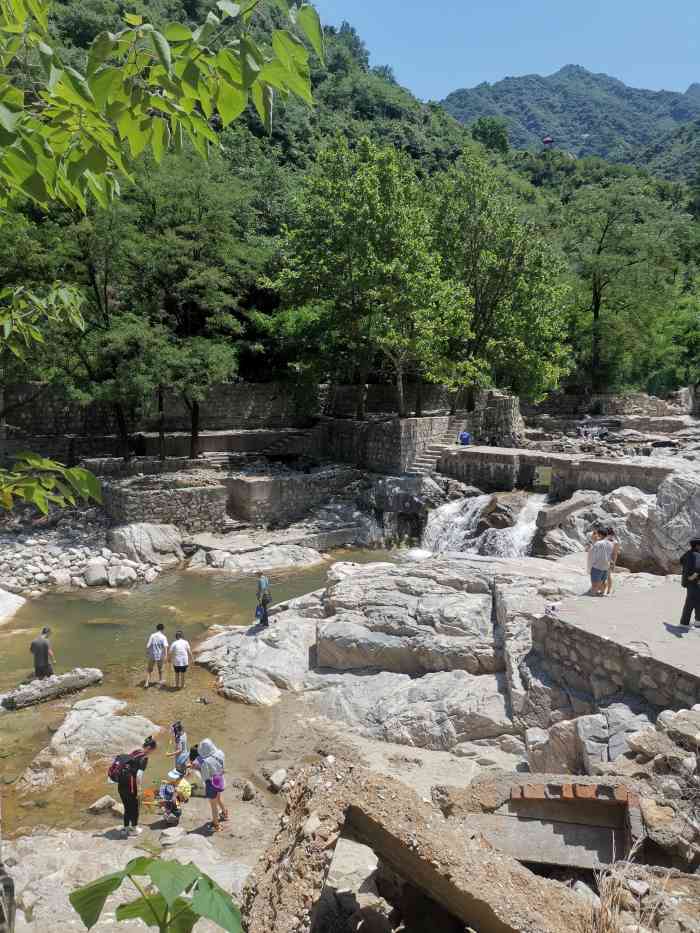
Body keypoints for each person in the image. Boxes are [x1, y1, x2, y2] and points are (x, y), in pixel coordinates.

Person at [114, 736, 157, 837]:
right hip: (131, 785)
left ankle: (125, 828)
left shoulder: (136, 751)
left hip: (121, 783)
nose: (152, 753)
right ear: (150, 748)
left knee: (126, 806)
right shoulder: (144, 758)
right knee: (134, 807)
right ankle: (134, 829)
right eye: (153, 750)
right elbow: (139, 775)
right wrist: (139, 789)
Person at [189, 738, 228, 832]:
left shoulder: (206, 762)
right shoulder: (220, 753)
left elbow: (205, 776)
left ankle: (216, 825)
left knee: (213, 806)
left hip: (212, 784)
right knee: (218, 798)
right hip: (220, 779)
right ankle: (225, 813)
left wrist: (198, 768)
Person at [587, 526, 615, 596]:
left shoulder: (598, 543)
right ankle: (602, 593)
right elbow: (610, 554)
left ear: (600, 534)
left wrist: (590, 566)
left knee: (595, 582)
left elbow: (592, 555)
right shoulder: (611, 543)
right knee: (603, 581)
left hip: (597, 565)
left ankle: (593, 594)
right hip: (606, 565)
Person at [680, 538, 700, 628]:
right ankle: (684, 623)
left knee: (696, 601)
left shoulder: (688, 553)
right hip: (694, 581)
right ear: (697, 546)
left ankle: (698, 621)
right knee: (690, 602)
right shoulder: (695, 555)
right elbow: (697, 568)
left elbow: (681, 561)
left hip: (691, 581)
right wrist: (694, 575)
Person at [145, 623, 168, 688]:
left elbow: (148, 646)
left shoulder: (152, 635)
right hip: (160, 656)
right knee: (160, 669)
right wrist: (166, 656)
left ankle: (146, 683)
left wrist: (147, 652)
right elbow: (165, 647)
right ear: (163, 629)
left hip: (152, 655)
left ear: (156, 628)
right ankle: (160, 681)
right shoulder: (163, 637)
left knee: (149, 670)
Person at [604, 527, 620, 596]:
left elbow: (615, 554)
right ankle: (604, 589)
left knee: (608, 576)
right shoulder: (604, 540)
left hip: (609, 560)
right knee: (604, 575)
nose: (609, 536)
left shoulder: (615, 542)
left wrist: (614, 563)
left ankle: (609, 590)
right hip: (603, 560)